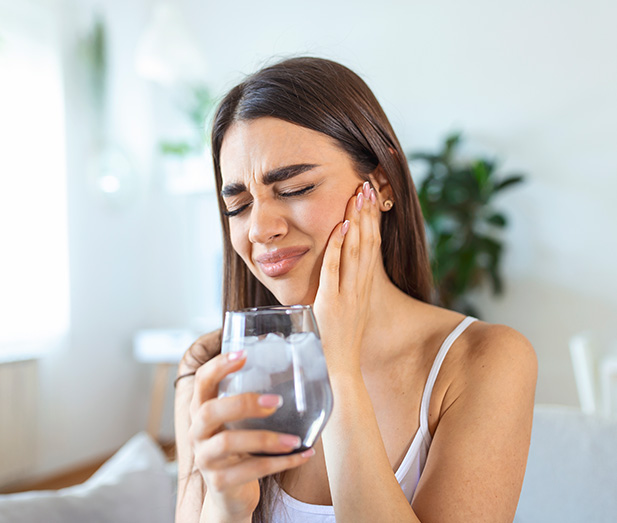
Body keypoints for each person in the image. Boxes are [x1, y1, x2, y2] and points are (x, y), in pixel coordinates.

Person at [174, 56, 537, 523]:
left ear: (380, 183)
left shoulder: (484, 361)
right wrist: (225, 506)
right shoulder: (209, 365)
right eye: (239, 205)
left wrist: (337, 367)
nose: (260, 228)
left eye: (294, 188)